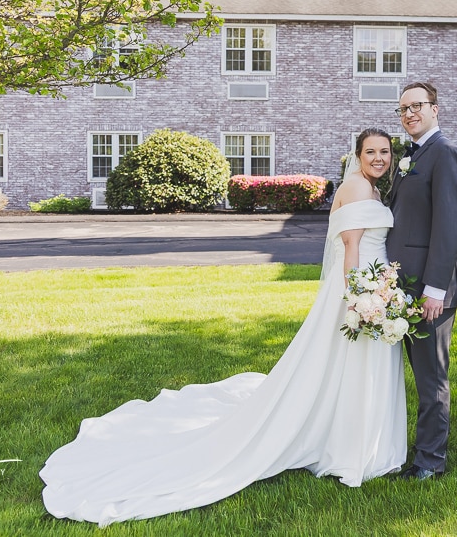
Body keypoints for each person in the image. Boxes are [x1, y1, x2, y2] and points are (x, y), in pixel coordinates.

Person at [40, 128, 406, 526]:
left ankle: (355, 439)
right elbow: (350, 248)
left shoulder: (371, 189)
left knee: (351, 368)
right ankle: (351, 447)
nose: (378, 158)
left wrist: (379, 291)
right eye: (370, 151)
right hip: (358, 292)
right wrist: (359, 299)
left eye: (384, 151)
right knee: (348, 366)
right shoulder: (355, 187)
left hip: (375, 288)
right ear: (358, 154)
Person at [386, 81, 457, 481]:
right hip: (403, 286)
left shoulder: (446, 154)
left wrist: (435, 290)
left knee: (431, 377)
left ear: (436, 109)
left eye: (417, 106)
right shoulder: (411, 156)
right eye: (402, 109)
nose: (409, 114)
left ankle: (430, 462)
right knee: (414, 374)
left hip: (430, 290)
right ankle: (410, 451)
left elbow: (449, 227)